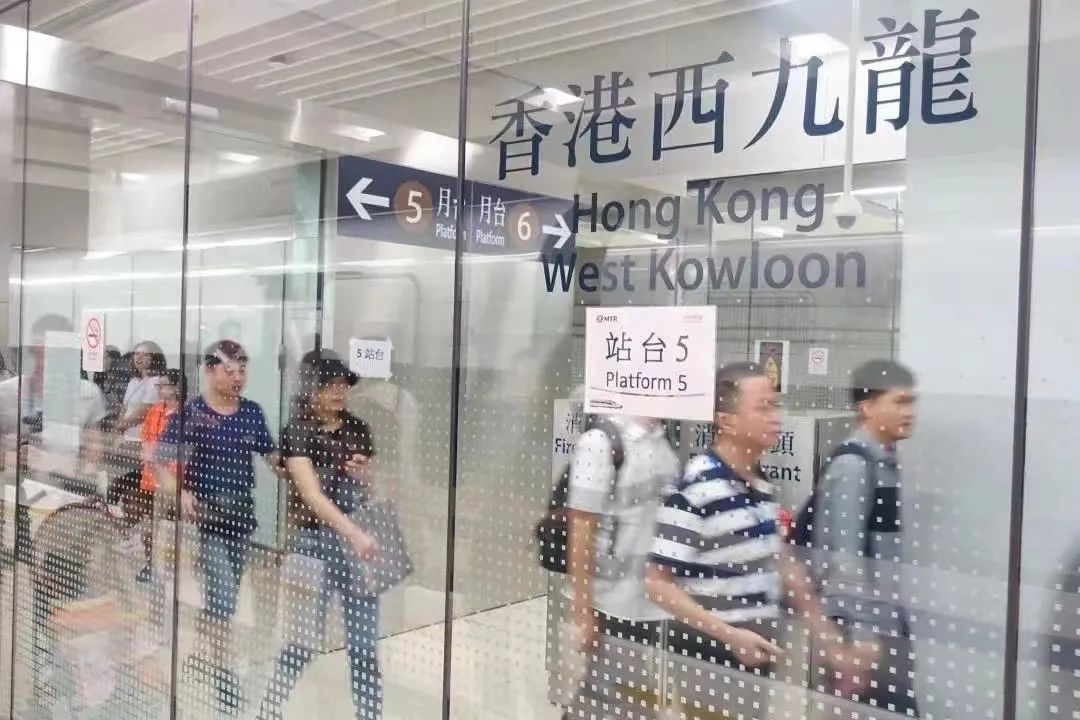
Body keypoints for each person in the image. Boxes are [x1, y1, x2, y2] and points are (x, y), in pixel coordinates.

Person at [645, 362, 864, 718]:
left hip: (756, 650)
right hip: (710, 656)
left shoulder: (760, 486)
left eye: (776, 405)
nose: (776, 417)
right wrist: (729, 635)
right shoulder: (696, 489)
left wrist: (829, 640)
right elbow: (658, 584)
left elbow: (783, 565)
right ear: (726, 421)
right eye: (763, 407)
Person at [154, 339, 279, 714]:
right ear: (210, 371)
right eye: (230, 370)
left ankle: (203, 650)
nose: (238, 377)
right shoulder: (193, 414)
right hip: (206, 521)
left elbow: (272, 456)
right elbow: (161, 461)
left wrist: (297, 464)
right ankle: (224, 675)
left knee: (224, 598)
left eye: (242, 370)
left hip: (241, 518)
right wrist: (180, 493)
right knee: (223, 598)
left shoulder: (251, 412)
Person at [258, 353, 381, 720]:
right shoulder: (298, 430)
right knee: (301, 641)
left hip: (354, 546)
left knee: (364, 645)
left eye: (344, 385)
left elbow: (371, 487)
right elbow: (310, 495)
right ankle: (270, 707)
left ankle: (369, 715)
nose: (340, 391)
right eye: (331, 385)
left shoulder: (357, 428)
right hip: (312, 544)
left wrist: (364, 476)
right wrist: (354, 532)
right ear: (313, 389)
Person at [808, 359, 919, 714]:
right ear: (867, 407)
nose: (910, 412)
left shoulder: (884, 462)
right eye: (900, 401)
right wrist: (863, 637)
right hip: (860, 631)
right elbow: (846, 559)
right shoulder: (854, 466)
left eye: (912, 402)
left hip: (882, 624)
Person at [563, 408, 678, 719]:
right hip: (611, 603)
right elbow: (581, 527)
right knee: (605, 696)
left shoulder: (662, 439)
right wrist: (583, 612)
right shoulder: (600, 442)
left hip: (649, 602)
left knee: (624, 696)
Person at [0, 314, 107, 494]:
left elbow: (94, 452)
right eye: (45, 350)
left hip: (66, 493)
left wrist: (77, 473)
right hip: (14, 492)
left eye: (60, 352)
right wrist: (13, 457)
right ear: (33, 350)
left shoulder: (88, 394)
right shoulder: (6, 393)